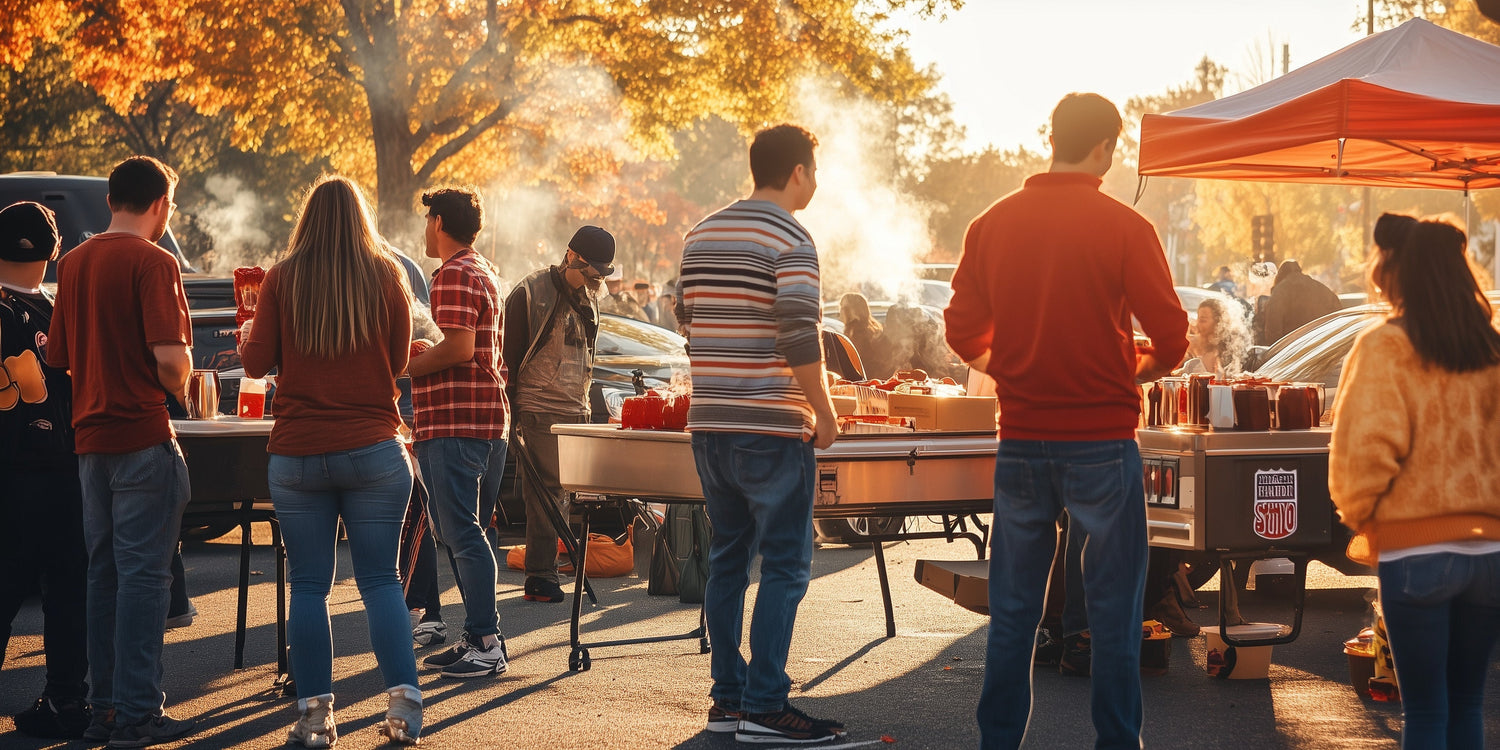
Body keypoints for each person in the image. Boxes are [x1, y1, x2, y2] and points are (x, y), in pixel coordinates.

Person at [943, 93, 1189, 750]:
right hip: (1104, 441)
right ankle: (1116, 743)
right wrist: (1131, 371)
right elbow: (1171, 335)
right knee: (1112, 614)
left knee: (1014, 615)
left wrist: (1016, 367)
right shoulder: (1124, 228)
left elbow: (961, 328)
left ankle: (999, 743)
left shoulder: (993, 222)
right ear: (1106, 148)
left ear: (1052, 138)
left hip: (1021, 437)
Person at [677, 123, 847, 745]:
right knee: (785, 565)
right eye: (815, 171)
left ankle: (729, 697)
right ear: (798, 172)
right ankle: (767, 705)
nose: (817, 183)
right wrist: (824, 413)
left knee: (728, 559)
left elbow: (685, 316)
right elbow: (800, 335)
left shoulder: (702, 233)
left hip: (711, 425)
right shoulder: (792, 237)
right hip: (771, 429)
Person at [240, 176, 422, 746]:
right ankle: (404, 707)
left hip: (298, 453)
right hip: (374, 447)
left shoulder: (282, 279)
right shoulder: (387, 275)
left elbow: (255, 362)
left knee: (311, 586)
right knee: (381, 580)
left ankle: (315, 716)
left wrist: (251, 334)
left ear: (307, 220)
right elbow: (397, 362)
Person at [1329, 213, 1500, 750]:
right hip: (1491, 552)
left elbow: (1362, 458)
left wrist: (1364, 519)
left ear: (1401, 272)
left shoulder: (1385, 346)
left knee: (1424, 711)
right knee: (1467, 704)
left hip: (1415, 552)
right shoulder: (1492, 349)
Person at [46, 156, 198, 748]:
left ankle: (103, 710)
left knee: (103, 576)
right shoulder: (155, 262)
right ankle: (139, 713)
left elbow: (58, 357)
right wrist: (183, 382)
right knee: (143, 580)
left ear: (112, 200)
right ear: (160, 204)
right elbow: (169, 358)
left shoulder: (74, 262)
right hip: (142, 435)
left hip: (91, 442)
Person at [406, 186, 511, 678]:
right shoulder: (484, 269)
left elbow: (460, 349)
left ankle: (486, 642)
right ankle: (478, 635)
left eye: (429, 218)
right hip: (489, 420)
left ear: (440, 222)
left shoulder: (451, 274)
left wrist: (411, 364)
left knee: (462, 533)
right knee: (474, 532)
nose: (425, 227)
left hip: (454, 422)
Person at [0, 202, 91, 739]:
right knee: (67, 592)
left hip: (8, 470)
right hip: (66, 466)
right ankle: (65, 700)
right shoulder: (64, 314)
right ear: (54, 252)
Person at [502, 225, 615, 604]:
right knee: (546, 495)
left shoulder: (589, 295)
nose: (595, 281)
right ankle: (541, 576)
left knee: (560, 494)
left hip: (573, 408)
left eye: (600, 275)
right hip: (539, 407)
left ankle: (544, 571)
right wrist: (513, 409)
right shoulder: (531, 291)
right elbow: (510, 354)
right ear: (571, 255)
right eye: (590, 273)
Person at [1259, 258, 1340, 345]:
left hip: (1295, 351)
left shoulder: (1280, 293)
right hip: (1323, 347)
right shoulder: (1321, 289)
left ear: (1280, 275)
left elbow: (1273, 332)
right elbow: (1340, 318)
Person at [1179, 295, 1252, 376]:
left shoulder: (1227, 350)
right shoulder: (1195, 344)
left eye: (1203, 320)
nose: (1197, 324)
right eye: (1198, 319)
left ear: (1218, 322)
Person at [839, 292, 891, 379]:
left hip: (864, 382)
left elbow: (852, 363)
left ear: (853, 311)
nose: (840, 311)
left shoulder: (857, 333)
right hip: (876, 381)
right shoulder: (873, 329)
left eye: (843, 307)